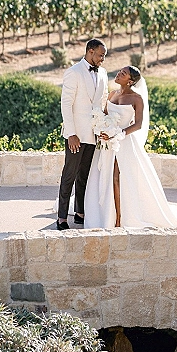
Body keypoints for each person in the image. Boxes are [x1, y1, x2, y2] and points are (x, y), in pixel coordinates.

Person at [84, 65, 177, 230]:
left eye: (123, 74)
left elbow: (138, 125)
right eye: (120, 71)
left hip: (124, 142)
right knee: (106, 178)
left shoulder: (137, 99)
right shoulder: (112, 94)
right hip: (107, 143)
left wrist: (118, 134)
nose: (118, 74)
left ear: (129, 81)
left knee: (117, 177)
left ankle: (119, 218)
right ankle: (107, 213)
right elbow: (105, 117)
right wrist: (102, 130)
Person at [57, 38, 108, 230]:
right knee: (69, 174)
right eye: (101, 55)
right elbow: (66, 104)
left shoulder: (103, 73)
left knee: (84, 175)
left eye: (104, 56)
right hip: (76, 134)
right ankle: (61, 217)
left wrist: (104, 128)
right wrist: (71, 133)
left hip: (93, 134)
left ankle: (80, 212)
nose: (103, 59)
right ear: (90, 51)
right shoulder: (73, 72)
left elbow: (102, 102)